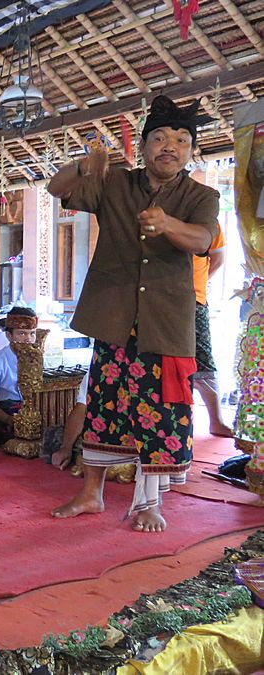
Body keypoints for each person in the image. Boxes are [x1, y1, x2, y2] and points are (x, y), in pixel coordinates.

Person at [47, 95, 219, 533]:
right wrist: (88, 164)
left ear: (190, 151)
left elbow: (201, 240)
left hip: (167, 321)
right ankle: (91, 494)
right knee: (105, 405)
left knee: (161, 413)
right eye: (159, 138)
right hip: (114, 314)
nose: (169, 146)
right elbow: (56, 188)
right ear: (143, 147)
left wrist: (168, 225)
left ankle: (149, 503)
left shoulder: (202, 195)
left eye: (181, 140)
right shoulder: (117, 183)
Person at [191, 223, 231, 437]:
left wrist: (197, 283)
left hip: (194, 298)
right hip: (158, 300)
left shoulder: (205, 216)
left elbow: (218, 258)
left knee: (203, 358)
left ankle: (216, 421)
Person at [0, 307, 38, 446]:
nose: (28, 339)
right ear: (9, 336)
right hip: (6, 411)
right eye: (22, 333)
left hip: (32, 410)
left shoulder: (38, 360)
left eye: (32, 334)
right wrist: (11, 420)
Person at [46, 370, 90, 470]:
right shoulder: (97, 370)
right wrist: (66, 447)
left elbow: (82, 410)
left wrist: (66, 447)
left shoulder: (99, 369)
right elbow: (81, 410)